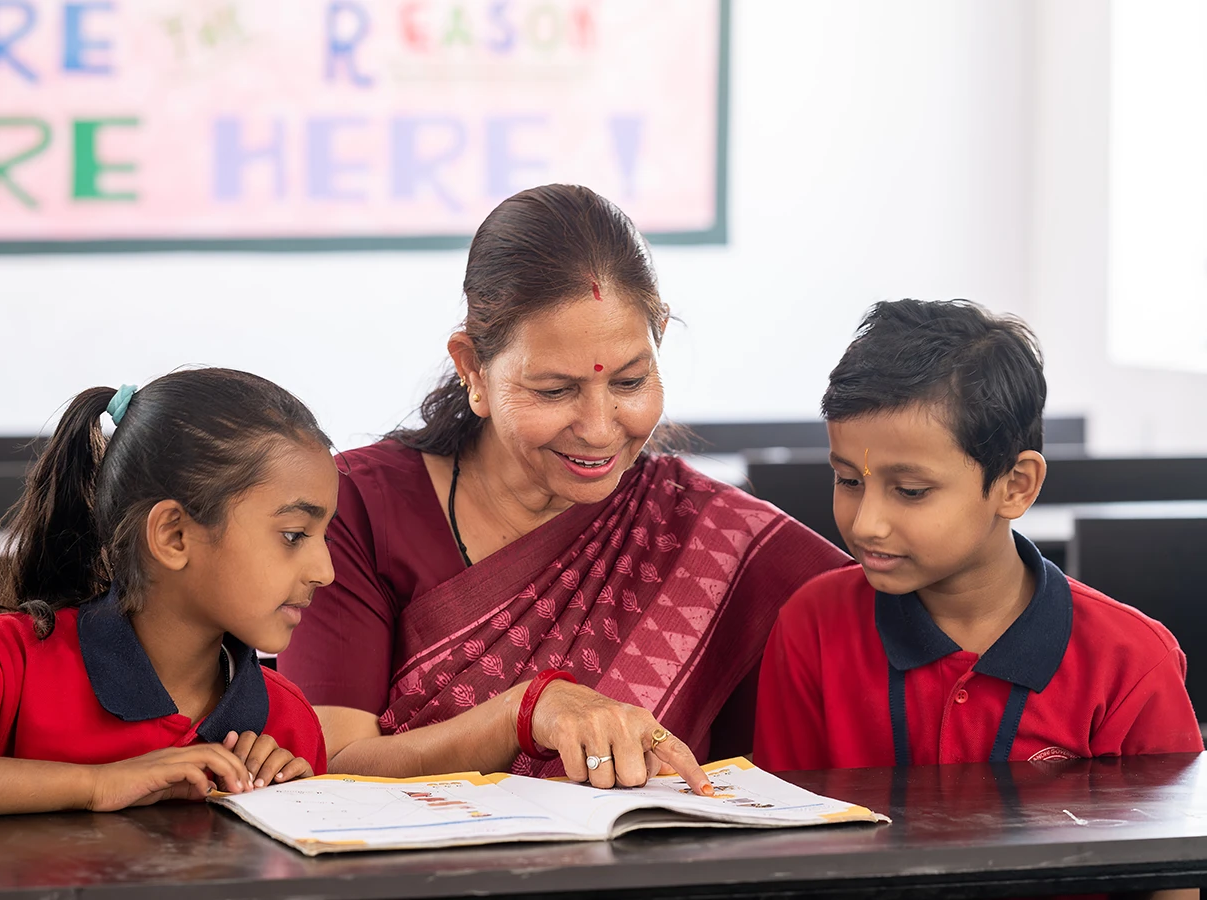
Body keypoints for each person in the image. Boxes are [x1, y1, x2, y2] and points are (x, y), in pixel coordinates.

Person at [280, 184, 850, 791]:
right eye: (554, 392)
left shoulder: (715, 539)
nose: (600, 430)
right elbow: (327, 764)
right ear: (472, 367)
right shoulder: (360, 507)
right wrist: (525, 713)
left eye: (630, 382)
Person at [0, 368, 336, 817]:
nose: (326, 571)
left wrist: (290, 803)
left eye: (325, 536)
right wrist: (99, 784)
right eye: (294, 535)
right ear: (174, 536)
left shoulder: (286, 722)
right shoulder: (13, 661)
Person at [753, 300, 1204, 772]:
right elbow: (788, 822)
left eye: (911, 491)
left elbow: (1164, 839)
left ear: (1015, 486)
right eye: (849, 480)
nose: (866, 524)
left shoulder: (1130, 661)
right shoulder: (814, 627)